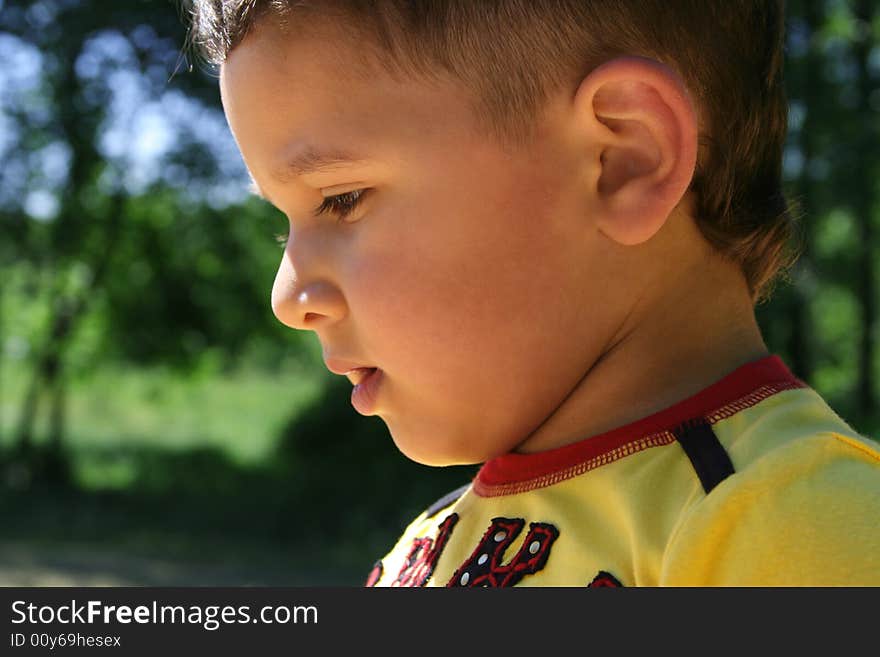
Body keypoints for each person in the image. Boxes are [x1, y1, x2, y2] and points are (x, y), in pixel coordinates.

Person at [188, 0, 880, 586]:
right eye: (285, 223)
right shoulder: (426, 544)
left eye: (341, 198)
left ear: (623, 161)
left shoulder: (794, 522)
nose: (287, 296)